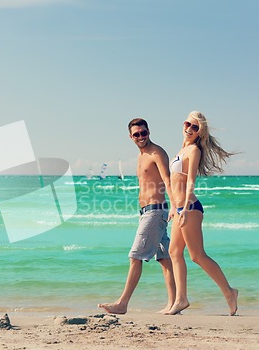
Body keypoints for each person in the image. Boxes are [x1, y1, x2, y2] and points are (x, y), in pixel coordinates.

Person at [98, 118, 176, 314]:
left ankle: (122, 304)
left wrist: (175, 205)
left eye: (144, 133)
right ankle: (175, 304)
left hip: (155, 211)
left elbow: (167, 180)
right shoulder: (141, 156)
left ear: (149, 131)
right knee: (164, 258)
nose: (141, 137)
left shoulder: (156, 153)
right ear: (130, 137)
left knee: (135, 256)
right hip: (147, 212)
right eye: (137, 134)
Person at [167, 111, 238, 316]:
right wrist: (174, 206)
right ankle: (181, 299)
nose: (189, 128)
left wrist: (186, 208)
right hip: (180, 208)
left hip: (190, 208)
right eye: (187, 123)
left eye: (194, 127)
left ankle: (229, 292)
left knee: (197, 255)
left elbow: (190, 181)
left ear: (200, 133)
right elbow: (174, 181)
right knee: (174, 252)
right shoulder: (183, 149)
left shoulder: (194, 151)